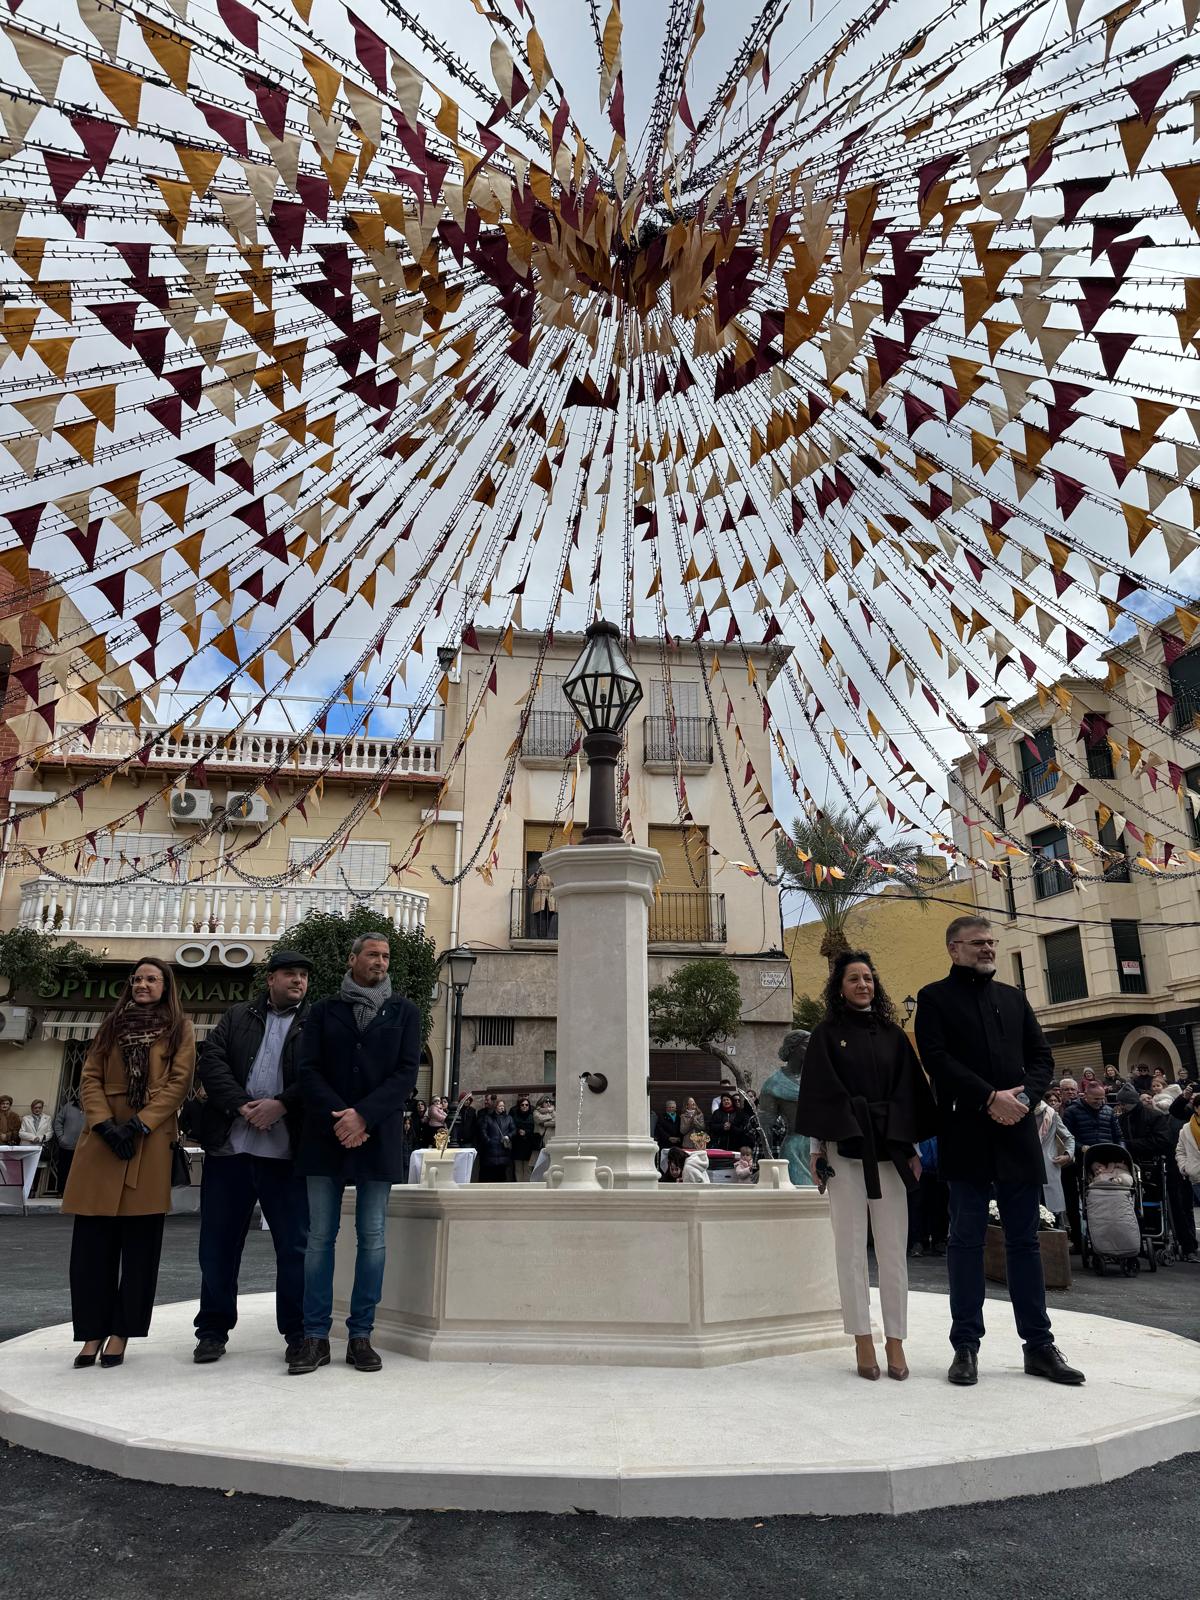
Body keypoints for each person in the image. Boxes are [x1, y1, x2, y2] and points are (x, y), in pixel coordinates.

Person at [915, 916, 1084, 1387]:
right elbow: (937, 1060)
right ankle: (965, 1347)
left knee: (1025, 1243)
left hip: (1016, 1135)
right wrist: (990, 1099)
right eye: (977, 943)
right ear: (954, 949)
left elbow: (1042, 1058)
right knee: (965, 1242)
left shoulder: (1014, 998)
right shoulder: (933, 999)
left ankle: (1040, 1348)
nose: (987, 949)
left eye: (991, 942)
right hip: (966, 1133)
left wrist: (1022, 1099)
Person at [798, 950, 936, 1382]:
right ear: (839, 986)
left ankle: (895, 1339)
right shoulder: (825, 1034)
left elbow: (910, 1092)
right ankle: (861, 1336)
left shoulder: (894, 1035)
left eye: (868, 978)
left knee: (894, 1250)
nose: (863, 985)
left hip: (890, 1150)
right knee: (850, 1249)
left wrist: (909, 1146)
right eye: (854, 978)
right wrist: (819, 1149)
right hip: (845, 1149)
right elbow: (821, 1094)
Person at [290, 932, 420, 1376]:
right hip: (325, 1135)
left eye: (385, 955)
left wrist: (362, 1117)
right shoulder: (324, 1010)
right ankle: (314, 1337)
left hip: (376, 1136)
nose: (380, 961)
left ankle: (361, 1335)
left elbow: (406, 1074)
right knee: (319, 1239)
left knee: (373, 1237)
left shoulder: (405, 1012)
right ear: (353, 959)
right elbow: (308, 1070)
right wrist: (341, 1118)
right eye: (372, 954)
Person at [61, 958, 195, 1368]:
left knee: (139, 1247)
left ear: (165, 986)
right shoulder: (110, 1024)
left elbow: (179, 1082)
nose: (142, 984)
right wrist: (104, 1126)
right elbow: (90, 1077)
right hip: (102, 1143)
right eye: (137, 978)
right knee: (90, 1247)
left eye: (151, 979)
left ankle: (121, 1332)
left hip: (149, 1140)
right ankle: (90, 1333)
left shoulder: (179, 1029)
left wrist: (138, 1125)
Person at [191, 950, 313, 1366]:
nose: (298, 981)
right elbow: (212, 1063)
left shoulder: (315, 1022)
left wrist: (280, 1105)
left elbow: (319, 1075)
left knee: (294, 1248)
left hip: (286, 1155)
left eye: (303, 976)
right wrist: (243, 1106)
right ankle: (212, 1330)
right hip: (231, 1149)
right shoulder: (236, 1016)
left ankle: (297, 1334)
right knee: (218, 1247)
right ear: (270, 980)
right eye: (290, 974)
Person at [760, 1030, 812, 1184]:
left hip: (822, 1148)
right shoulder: (774, 1084)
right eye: (807, 1046)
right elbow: (765, 1126)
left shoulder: (816, 1077)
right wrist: (769, 1162)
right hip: (795, 1149)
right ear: (792, 1048)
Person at [1035, 1093, 1075, 1226]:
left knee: (1051, 1213)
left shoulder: (1051, 1114)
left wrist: (1067, 1154)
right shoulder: (1017, 1112)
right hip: (1024, 1168)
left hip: (1048, 1166)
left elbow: (1068, 1138)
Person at [907, 1136, 948, 1258]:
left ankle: (939, 1240)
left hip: (939, 1166)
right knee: (917, 1204)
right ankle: (917, 1241)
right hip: (921, 1165)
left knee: (941, 1204)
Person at [1063, 1077, 1126, 1151]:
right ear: (1085, 1095)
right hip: (1083, 1156)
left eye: (1102, 1098)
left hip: (1108, 1154)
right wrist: (1081, 1147)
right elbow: (1066, 1137)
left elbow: (1119, 1137)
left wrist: (1122, 1151)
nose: (1100, 1102)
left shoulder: (1109, 1111)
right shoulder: (1071, 1112)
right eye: (1096, 1099)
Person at [477, 1095, 516, 1181]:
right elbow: (483, 1131)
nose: (502, 1108)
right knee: (491, 1173)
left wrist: (508, 1136)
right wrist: (489, 1141)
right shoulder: (488, 1118)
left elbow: (513, 1130)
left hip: (503, 1149)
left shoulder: (508, 1118)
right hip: (491, 1150)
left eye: (503, 1106)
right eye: (500, 1106)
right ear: (495, 1107)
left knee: (502, 1173)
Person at [52, 1090, 85, 1191]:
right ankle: (61, 1191)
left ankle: (78, 1192)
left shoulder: (92, 1107)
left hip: (84, 1146)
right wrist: (62, 1138)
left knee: (82, 1171)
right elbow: (58, 1122)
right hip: (67, 1145)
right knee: (64, 1169)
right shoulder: (69, 1106)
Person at [510, 1095, 537, 1179]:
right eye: (522, 1105)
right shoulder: (515, 1116)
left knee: (528, 1169)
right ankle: (519, 1188)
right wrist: (518, 1131)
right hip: (517, 1145)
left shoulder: (532, 1116)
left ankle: (527, 1189)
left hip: (528, 1145)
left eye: (526, 1105)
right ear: (519, 1106)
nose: (525, 1106)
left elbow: (535, 1131)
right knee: (518, 1169)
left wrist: (526, 1132)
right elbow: (511, 1128)